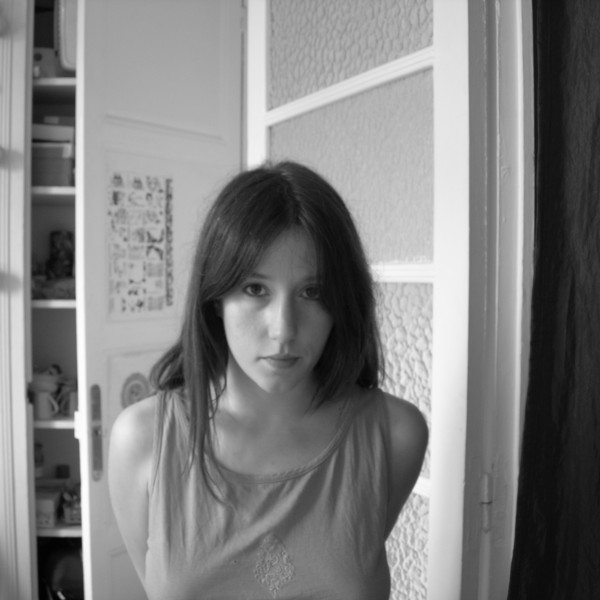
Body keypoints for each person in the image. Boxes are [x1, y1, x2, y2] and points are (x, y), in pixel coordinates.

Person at [108, 160, 428, 600]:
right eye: (255, 289)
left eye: (313, 292)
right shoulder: (143, 439)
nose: (283, 329)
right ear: (215, 298)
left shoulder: (394, 435)